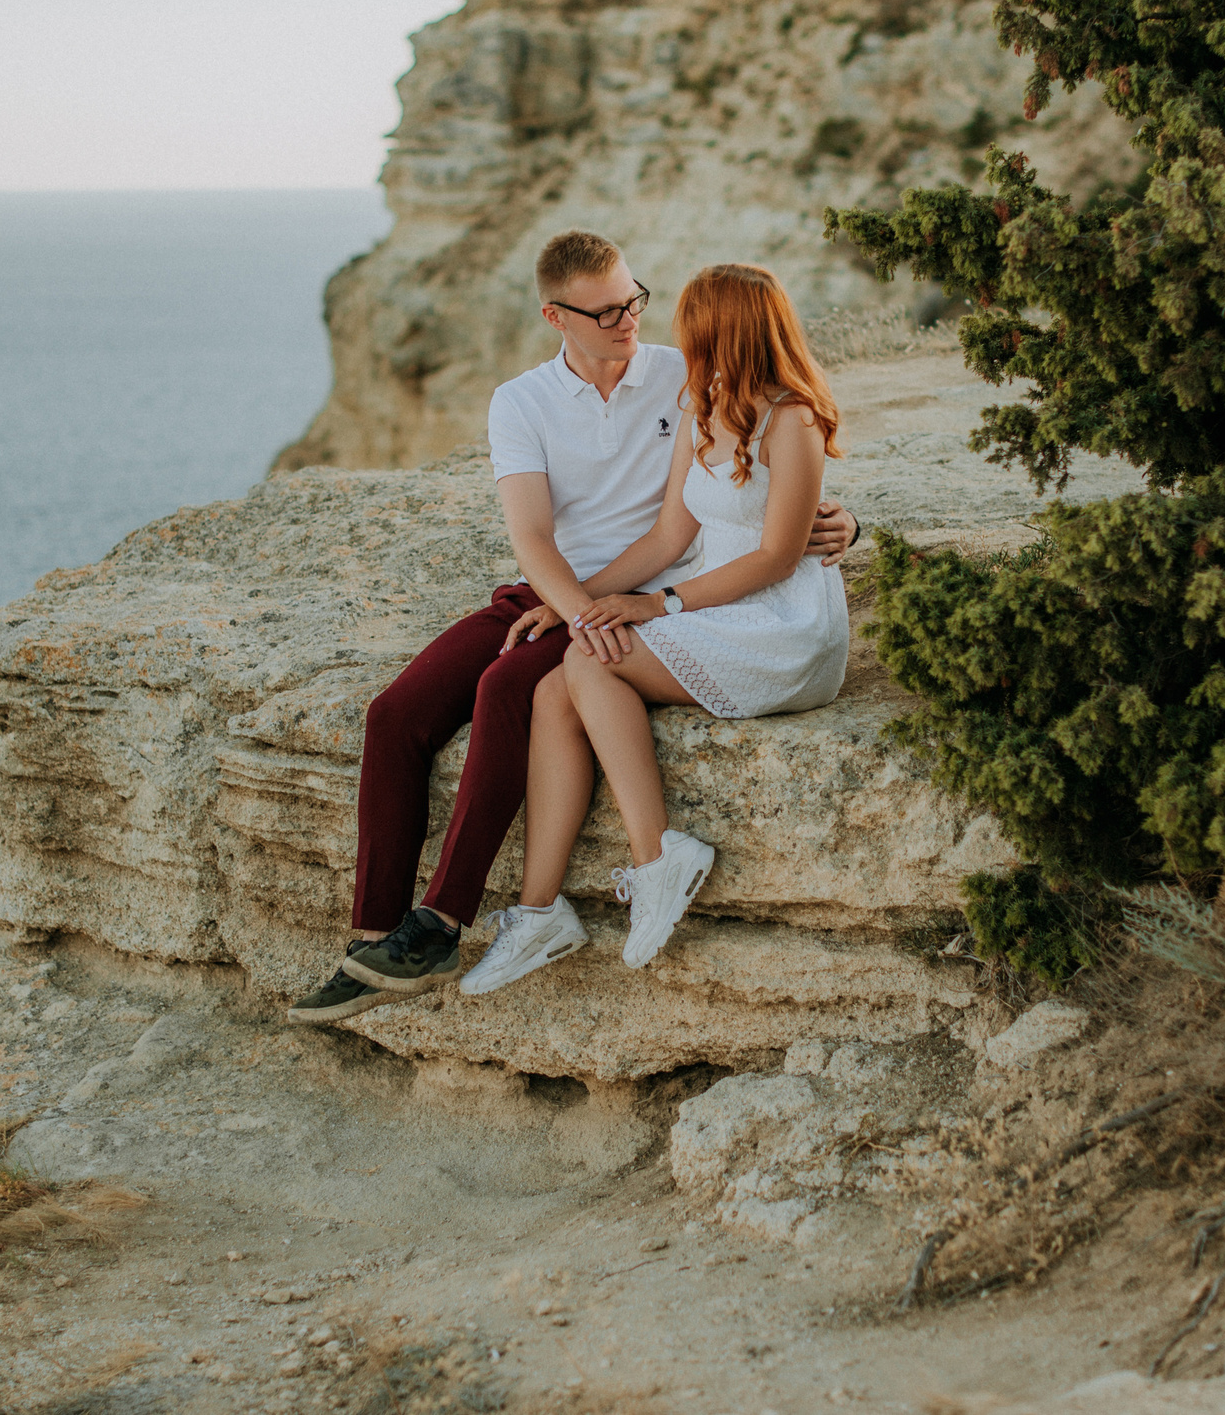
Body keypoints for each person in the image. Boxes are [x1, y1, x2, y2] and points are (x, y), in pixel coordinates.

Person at [286, 233, 858, 1024]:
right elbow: (533, 538)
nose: (630, 319)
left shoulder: (681, 376)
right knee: (396, 714)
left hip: (642, 595)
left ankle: (442, 921)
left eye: (635, 300)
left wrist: (845, 524)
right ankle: (378, 936)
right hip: (559, 589)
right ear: (557, 315)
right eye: (609, 309)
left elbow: (769, 463)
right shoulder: (521, 400)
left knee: (511, 686)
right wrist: (566, 603)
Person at [458, 262, 850, 994]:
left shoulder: (791, 417)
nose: (678, 338)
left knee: (589, 663)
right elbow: (669, 534)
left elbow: (777, 556)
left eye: (692, 326)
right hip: (717, 606)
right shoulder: (701, 405)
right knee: (557, 688)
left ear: (723, 329)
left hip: (781, 626)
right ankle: (539, 909)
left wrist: (657, 604)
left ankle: (655, 856)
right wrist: (580, 599)